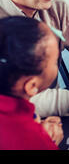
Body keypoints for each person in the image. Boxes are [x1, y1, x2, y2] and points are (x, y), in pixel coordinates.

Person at [0, 17, 63, 150]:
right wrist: (45, 140)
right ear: (32, 86)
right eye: (55, 61)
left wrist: (37, 124)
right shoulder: (32, 140)